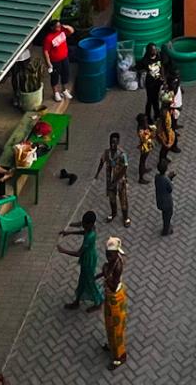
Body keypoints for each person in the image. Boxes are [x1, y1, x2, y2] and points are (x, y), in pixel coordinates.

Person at [58, 210, 103, 312]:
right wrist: (69, 232)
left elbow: (78, 253)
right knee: (82, 281)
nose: (83, 226)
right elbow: (83, 231)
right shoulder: (91, 229)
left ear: (90, 224)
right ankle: (77, 301)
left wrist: (63, 250)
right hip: (88, 258)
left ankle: (98, 301)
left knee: (90, 282)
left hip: (88, 261)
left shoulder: (90, 237)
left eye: (84, 224)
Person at [101, 237, 129, 369]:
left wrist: (105, 273)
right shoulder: (111, 263)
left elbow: (113, 285)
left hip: (115, 299)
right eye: (107, 253)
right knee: (109, 324)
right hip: (110, 298)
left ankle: (120, 356)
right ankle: (112, 346)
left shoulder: (117, 266)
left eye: (110, 254)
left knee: (116, 328)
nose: (108, 256)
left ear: (116, 253)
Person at [95, 131, 131, 226]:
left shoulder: (122, 154)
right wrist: (97, 173)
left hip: (120, 181)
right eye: (111, 142)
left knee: (123, 199)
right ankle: (113, 213)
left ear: (118, 142)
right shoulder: (107, 153)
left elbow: (125, 168)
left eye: (114, 142)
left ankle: (126, 217)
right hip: (109, 181)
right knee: (112, 198)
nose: (112, 144)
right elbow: (102, 161)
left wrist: (116, 180)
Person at [44, 17, 74, 103]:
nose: (58, 27)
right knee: (55, 77)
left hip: (64, 58)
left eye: (59, 25)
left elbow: (71, 31)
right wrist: (48, 63)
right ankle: (56, 93)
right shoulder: (49, 38)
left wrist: (66, 26)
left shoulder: (62, 32)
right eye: (57, 26)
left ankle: (64, 90)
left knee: (66, 74)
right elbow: (46, 51)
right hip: (55, 61)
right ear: (52, 28)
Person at [140, 45, 165, 122]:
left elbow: (161, 67)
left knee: (156, 99)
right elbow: (139, 67)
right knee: (150, 100)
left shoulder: (158, 57)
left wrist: (162, 77)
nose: (155, 51)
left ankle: (156, 114)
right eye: (153, 50)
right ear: (149, 51)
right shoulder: (145, 60)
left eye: (155, 49)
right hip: (150, 83)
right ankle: (147, 116)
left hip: (157, 82)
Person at [153, 150, 174, 236]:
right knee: (168, 215)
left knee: (164, 214)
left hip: (160, 201)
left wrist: (168, 177)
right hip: (167, 202)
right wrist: (170, 179)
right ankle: (166, 230)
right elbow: (170, 189)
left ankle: (166, 226)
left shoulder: (157, 177)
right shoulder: (166, 180)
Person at [135, 115, 154, 183]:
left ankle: (144, 169)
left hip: (147, 145)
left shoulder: (143, 127)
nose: (146, 122)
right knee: (142, 161)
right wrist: (150, 132)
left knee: (144, 160)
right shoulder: (141, 130)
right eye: (145, 121)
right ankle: (141, 178)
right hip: (144, 147)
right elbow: (145, 138)